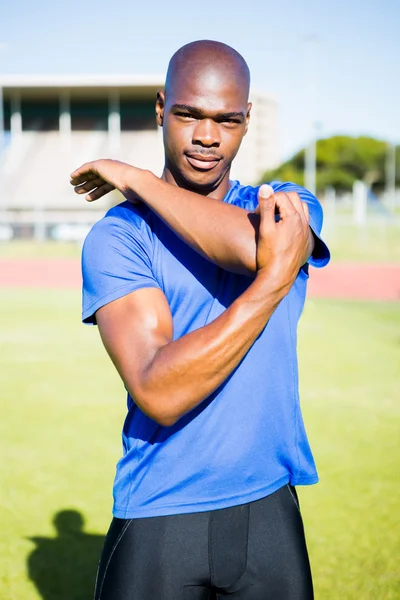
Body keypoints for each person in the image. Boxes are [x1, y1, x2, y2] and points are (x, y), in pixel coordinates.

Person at [70, 40, 330, 600]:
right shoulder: (119, 237)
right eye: (189, 115)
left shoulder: (284, 201)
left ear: (246, 122)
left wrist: (136, 177)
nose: (207, 137)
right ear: (162, 108)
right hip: (160, 516)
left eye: (226, 120)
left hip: (270, 510)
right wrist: (269, 289)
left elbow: (255, 246)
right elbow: (160, 391)